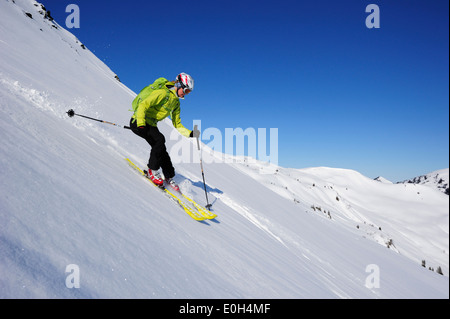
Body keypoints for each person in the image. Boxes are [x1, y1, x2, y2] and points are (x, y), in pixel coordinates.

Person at [129, 73, 199, 191]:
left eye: (188, 92)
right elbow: (143, 105)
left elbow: (177, 124)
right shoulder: (163, 93)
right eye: (186, 90)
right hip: (138, 121)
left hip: (150, 125)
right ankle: (152, 170)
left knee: (161, 147)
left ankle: (169, 176)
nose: (186, 94)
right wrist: (141, 123)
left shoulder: (176, 103)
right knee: (159, 140)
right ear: (179, 84)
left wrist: (190, 134)